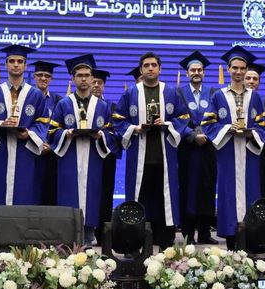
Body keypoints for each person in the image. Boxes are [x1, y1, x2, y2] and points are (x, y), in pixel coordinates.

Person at [113, 52, 190, 248]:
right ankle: (137, 239)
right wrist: (135, 128)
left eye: (154, 65)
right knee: (141, 198)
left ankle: (165, 240)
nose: (150, 68)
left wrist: (167, 124)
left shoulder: (171, 92)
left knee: (164, 198)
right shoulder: (131, 93)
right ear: (141, 69)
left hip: (164, 157)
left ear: (160, 69)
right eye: (146, 65)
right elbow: (118, 119)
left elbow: (183, 117)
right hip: (140, 157)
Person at [203, 47, 265, 249]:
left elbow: (263, 124)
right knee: (228, 193)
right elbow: (207, 123)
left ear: (246, 70)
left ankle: (251, 237)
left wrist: (251, 133)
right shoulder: (218, 96)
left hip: (249, 152)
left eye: (242, 68)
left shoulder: (255, 97)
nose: (238, 72)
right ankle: (231, 240)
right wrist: (226, 128)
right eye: (235, 68)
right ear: (228, 69)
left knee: (251, 191)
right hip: (227, 152)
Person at [50, 55, 115, 244]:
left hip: (93, 157)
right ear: (73, 79)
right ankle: (67, 236)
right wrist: (67, 134)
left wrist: (101, 136)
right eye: (79, 75)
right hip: (69, 156)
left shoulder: (102, 106)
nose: (84, 79)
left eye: (87, 75)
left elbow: (111, 132)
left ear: (92, 78)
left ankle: (89, 235)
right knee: (69, 193)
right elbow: (53, 131)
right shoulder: (63, 104)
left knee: (92, 193)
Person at [0, 44, 50, 207]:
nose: (16, 65)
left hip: (24, 151)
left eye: (20, 61)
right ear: (6, 65)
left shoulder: (35, 94)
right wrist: (0, 124)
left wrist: (29, 134)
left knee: (23, 192)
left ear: (25, 65)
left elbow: (43, 121)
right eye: (12, 61)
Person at [176, 50, 217, 244]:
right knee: (188, 188)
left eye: (199, 70)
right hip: (188, 149)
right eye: (193, 70)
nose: (196, 73)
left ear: (204, 73)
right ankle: (187, 234)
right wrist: (192, 136)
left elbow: (218, 119)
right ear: (187, 73)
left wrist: (207, 135)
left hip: (208, 148)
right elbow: (176, 119)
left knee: (207, 189)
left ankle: (205, 233)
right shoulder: (179, 93)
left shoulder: (214, 93)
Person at [31, 60, 63, 206]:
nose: (43, 78)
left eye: (47, 76)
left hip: (51, 154)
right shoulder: (26, 98)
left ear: (51, 78)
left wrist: (51, 145)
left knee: (50, 193)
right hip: (30, 151)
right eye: (39, 75)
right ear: (34, 77)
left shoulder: (59, 101)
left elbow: (61, 126)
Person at [92, 68, 118, 245]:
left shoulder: (112, 108)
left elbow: (117, 132)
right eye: (93, 82)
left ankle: (103, 235)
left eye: (99, 83)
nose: (96, 85)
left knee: (104, 196)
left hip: (105, 158)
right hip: (85, 155)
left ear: (104, 86)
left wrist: (102, 136)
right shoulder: (79, 106)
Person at [245, 62, 265, 205]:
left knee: (260, 185)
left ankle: (259, 216)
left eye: (255, 79)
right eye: (248, 78)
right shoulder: (233, 99)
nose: (251, 81)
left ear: (259, 82)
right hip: (238, 149)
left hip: (260, 152)